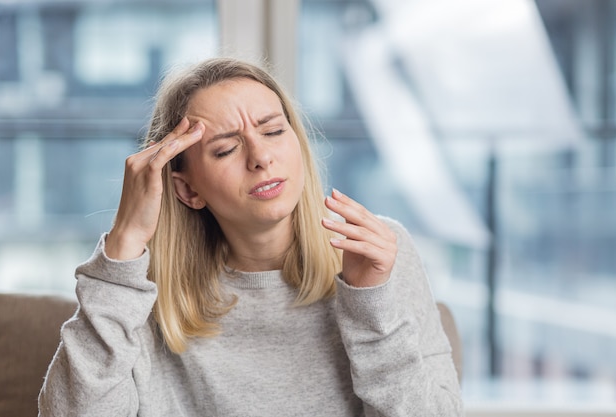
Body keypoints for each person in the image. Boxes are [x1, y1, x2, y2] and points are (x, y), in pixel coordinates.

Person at [38, 57, 463, 416]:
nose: (261, 157)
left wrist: (371, 305)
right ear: (187, 189)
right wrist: (125, 245)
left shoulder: (377, 252)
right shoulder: (139, 290)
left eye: (274, 131)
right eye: (226, 149)